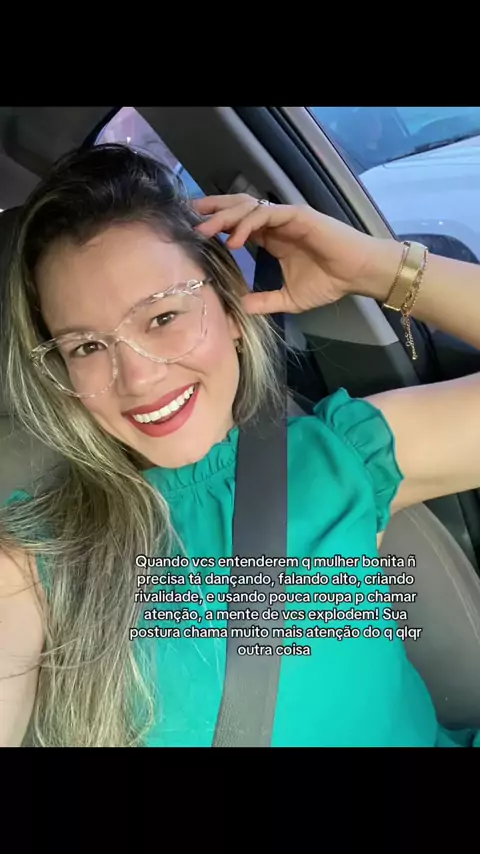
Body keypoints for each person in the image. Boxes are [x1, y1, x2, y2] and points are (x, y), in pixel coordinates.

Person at [0, 143, 479, 748]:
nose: (138, 379)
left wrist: (372, 267)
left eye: (163, 317)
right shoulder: (35, 560)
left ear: (231, 308)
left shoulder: (340, 458)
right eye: (88, 347)